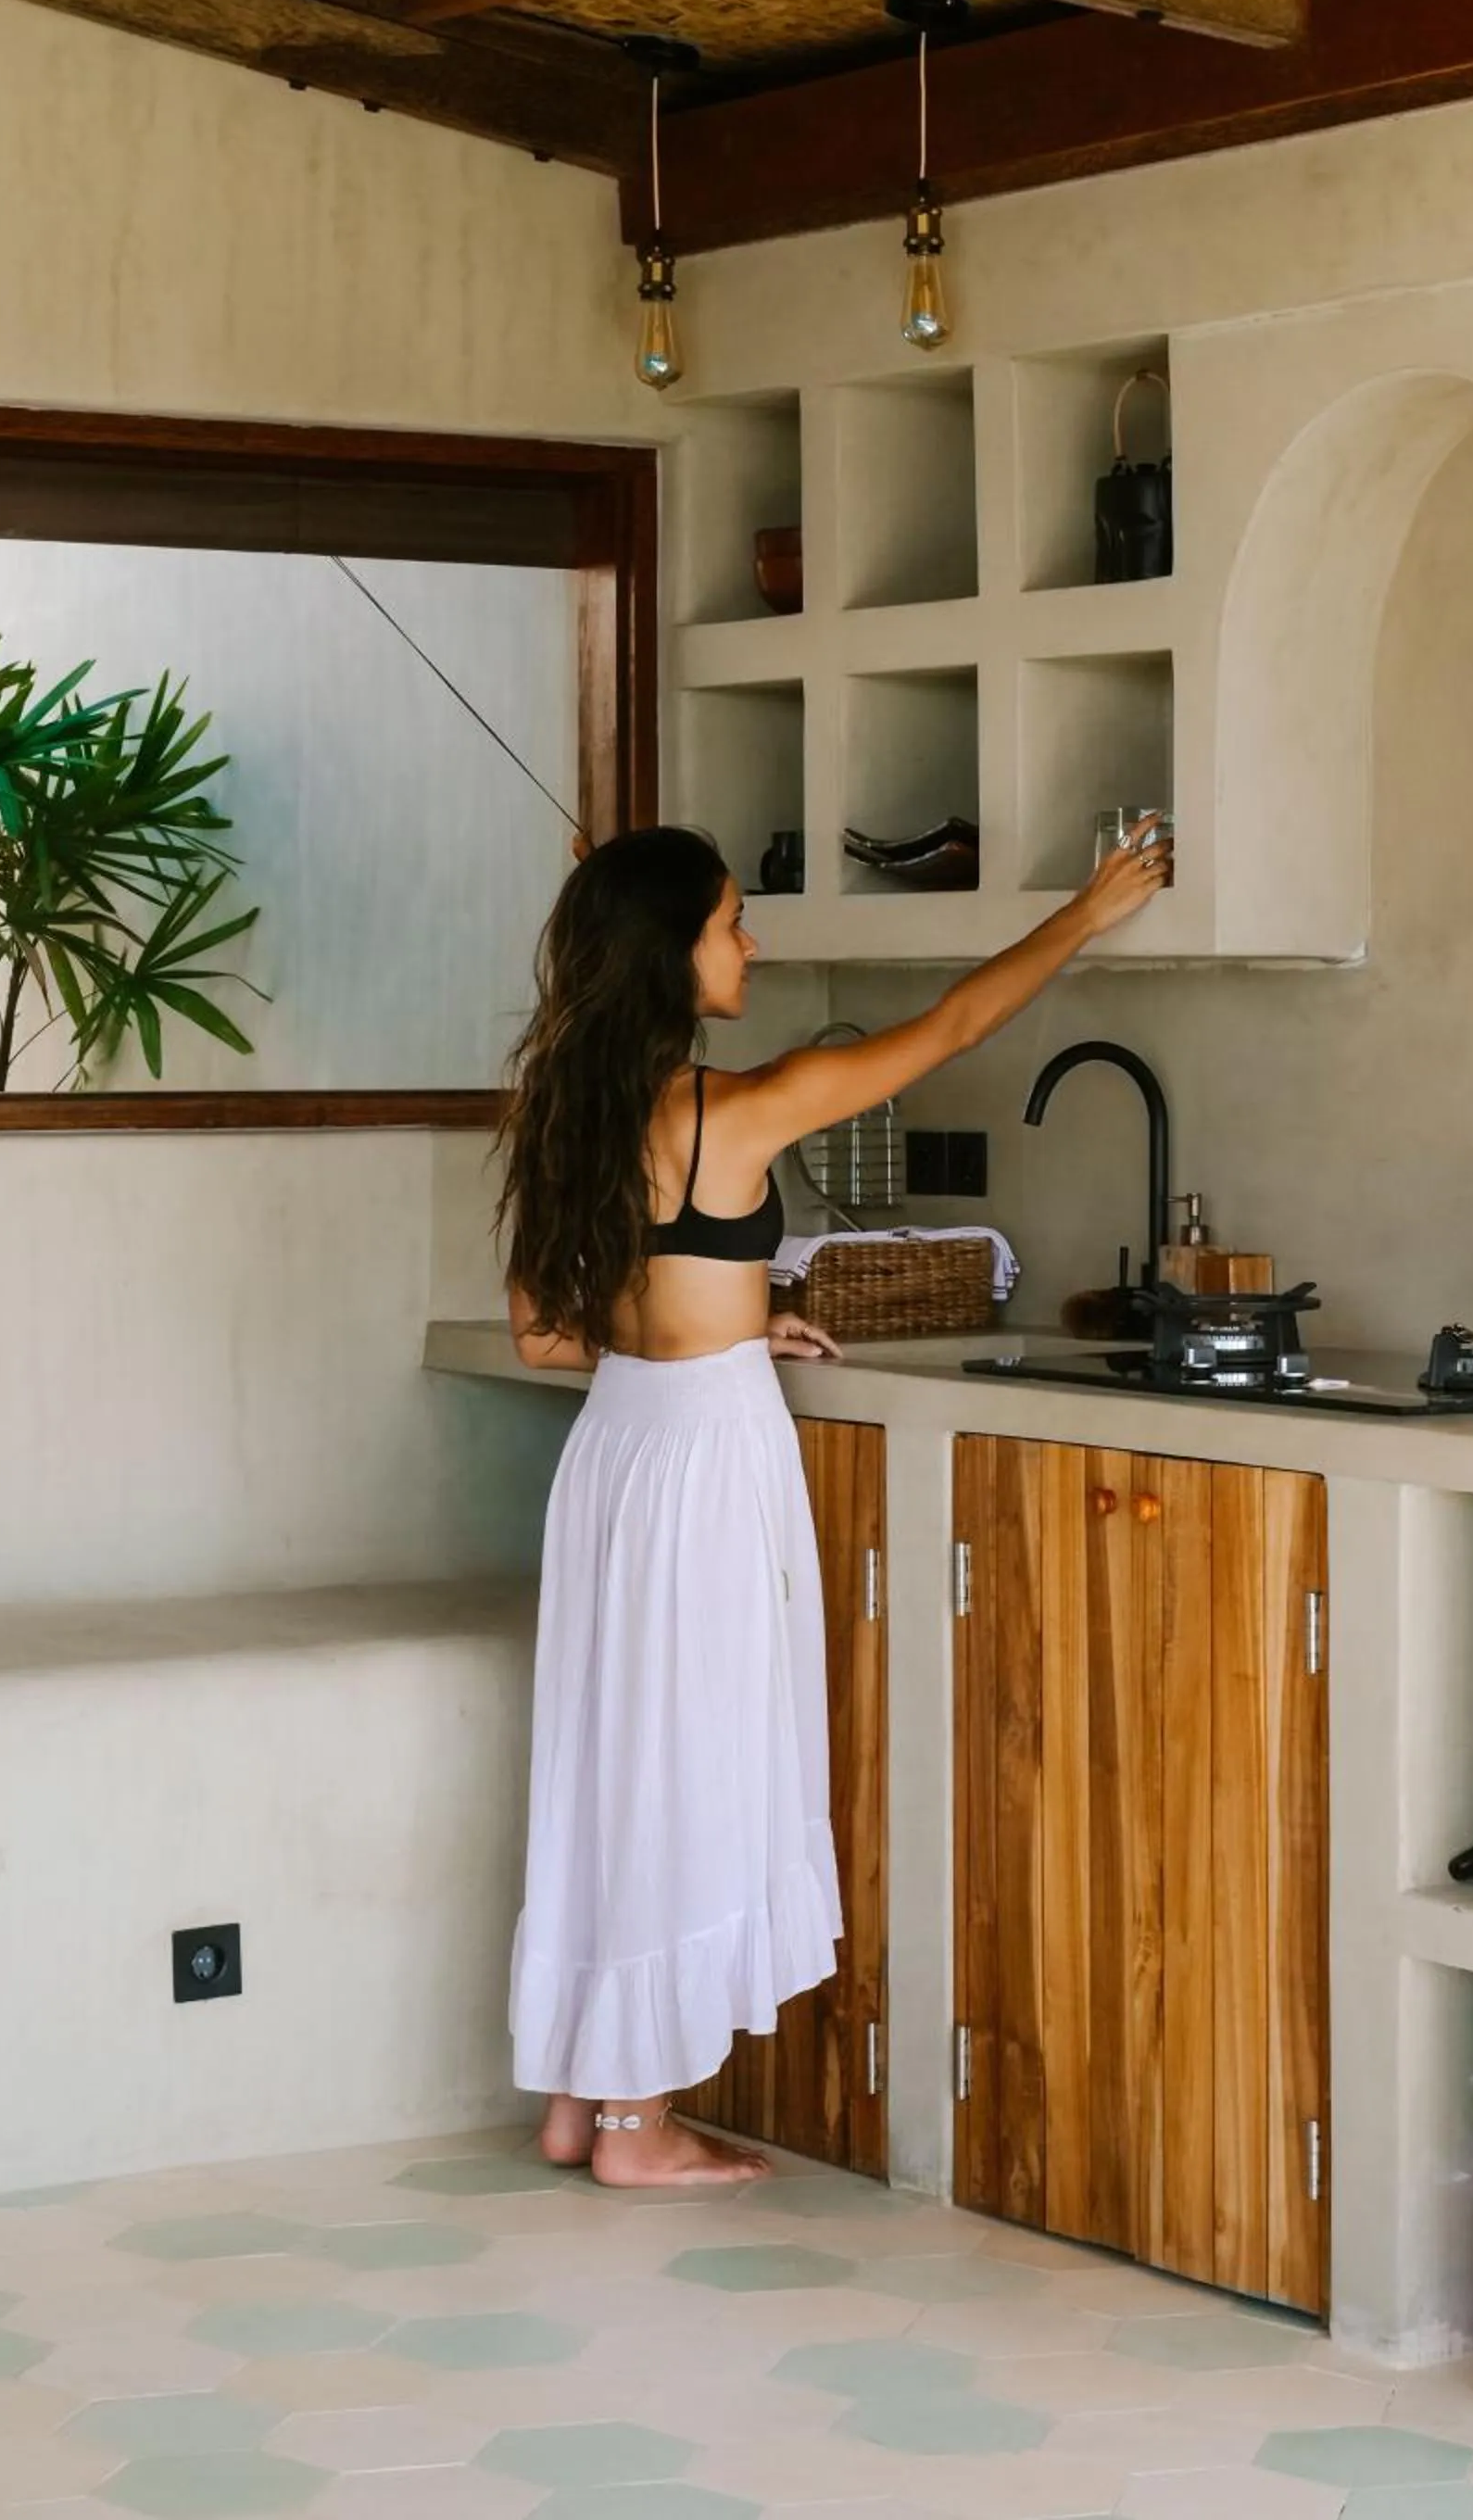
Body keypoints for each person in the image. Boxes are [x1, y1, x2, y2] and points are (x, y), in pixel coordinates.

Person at [496, 817, 1169, 2186]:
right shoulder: (740, 1109)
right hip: (706, 1459)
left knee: (613, 1764)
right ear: (671, 957)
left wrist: (737, 1323)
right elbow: (954, 1025)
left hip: (617, 1453)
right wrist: (1087, 914)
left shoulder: (567, 1116)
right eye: (731, 924)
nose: (752, 945)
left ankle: (580, 2092)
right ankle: (636, 2128)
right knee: (692, 1765)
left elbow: (545, 1336)